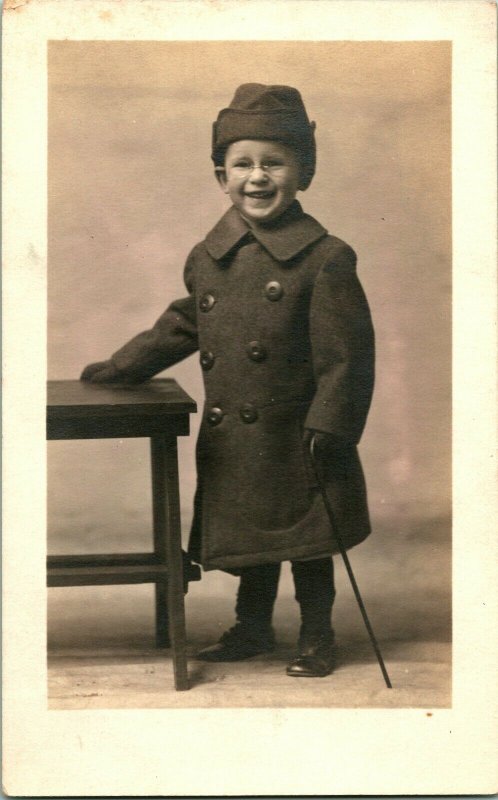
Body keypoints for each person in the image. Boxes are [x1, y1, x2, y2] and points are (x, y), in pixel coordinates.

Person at [81, 83, 375, 678]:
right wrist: (121, 368)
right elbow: (183, 323)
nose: (257, 177)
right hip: (239, 435)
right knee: (251, 537)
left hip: (300, 432)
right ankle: (252, 627)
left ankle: (318, 635)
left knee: (309, 544)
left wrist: (331, 425)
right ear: (221, 177)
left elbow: (349, 356)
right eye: (242, 164)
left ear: (303, 173)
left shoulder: (326, 257)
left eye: (274, 162)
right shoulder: (209, 255)